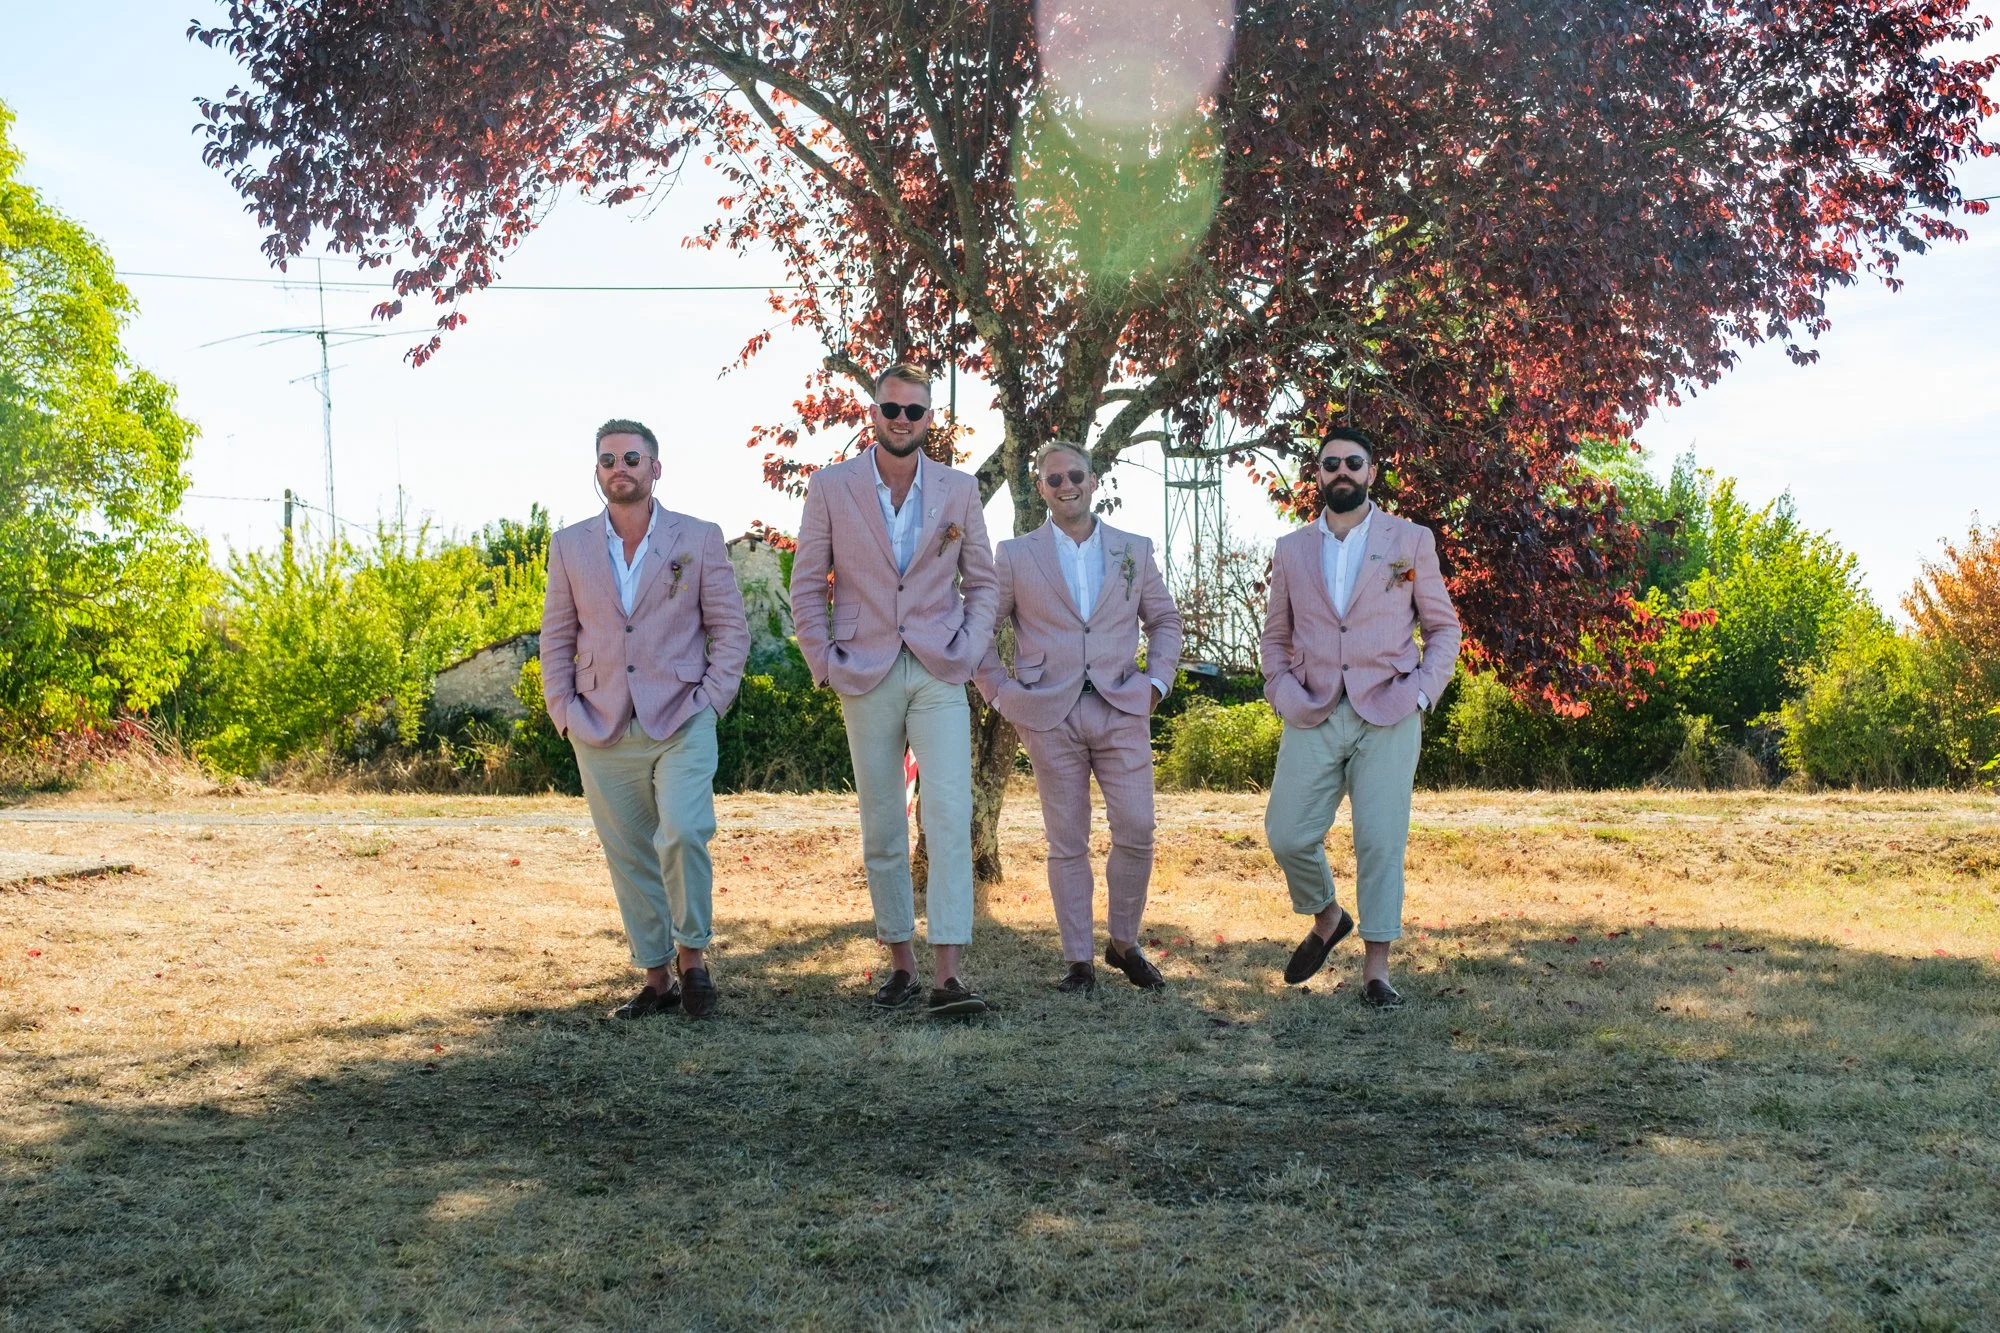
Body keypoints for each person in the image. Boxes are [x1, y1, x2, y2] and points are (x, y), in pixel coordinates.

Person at [789, 364, 998, 1017]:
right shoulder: (830, 487)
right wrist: (823, 660)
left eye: (914, 410)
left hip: (938, 668)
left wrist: (966, 650)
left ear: (929, 418)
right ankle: (902, 965)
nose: (901, 419)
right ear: (872, 413)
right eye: (891, 408)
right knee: (881, 819)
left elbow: (984, 583)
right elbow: (806, 585)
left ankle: (948, 975)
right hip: (863, 667)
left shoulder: (960, 490)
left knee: (948, 814)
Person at [540, 418, 749, 1020]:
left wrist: (712, 698)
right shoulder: (570, 545)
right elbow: (556, 637)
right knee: (629, 853)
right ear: (597, 472)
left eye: (631, 458)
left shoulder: (699, 537)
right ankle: (656, 977)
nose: (619, 468)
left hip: (683, 714)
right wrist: (565, 713)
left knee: (683, 833)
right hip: (599, 723)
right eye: (607, 460)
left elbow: (730, 630)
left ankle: (694, 962)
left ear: (656, 468)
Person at [1260, 427, 1461, 1008]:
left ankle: (1376, 972)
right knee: (1287, 833)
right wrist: (1280, 688)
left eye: (1353, 462)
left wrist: (1423, 691)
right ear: (1317, 475)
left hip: (1390, 707)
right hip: (1313, 707)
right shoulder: (1292, 548)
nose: (1341, 471)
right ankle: (1328, 916)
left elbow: (1442, 628)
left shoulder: (1410, 540)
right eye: (1330, 464)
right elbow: (1276, 634)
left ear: (1372, 472)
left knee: (1379, 840)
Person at [976, 442, 1182, 994]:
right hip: (1049, 713)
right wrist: (1001, 693)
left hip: (1122, 706)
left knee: (1137, 829)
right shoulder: (1016, 555)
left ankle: (1123, 943)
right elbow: (980, 629)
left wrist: (1156, 682)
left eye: (1075, 476)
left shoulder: (1132, 549)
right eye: (1053, 479)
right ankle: (1078, 962)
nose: (1065, 485)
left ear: (1093, 481)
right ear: (1040, 488)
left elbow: (1164, 620)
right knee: (1067, 840)